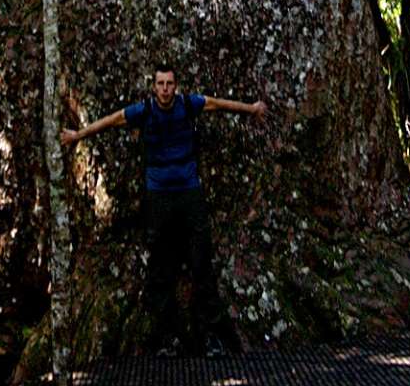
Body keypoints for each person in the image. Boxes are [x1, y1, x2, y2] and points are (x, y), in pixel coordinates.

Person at [61, 60, 267, 354]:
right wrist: (78, 135)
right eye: (161, 84)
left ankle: (212, 335)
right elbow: (112, 120)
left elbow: (219, 104)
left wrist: (251, 108)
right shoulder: (145, 110)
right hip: (158, 195)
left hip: (189, 192)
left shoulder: (188, 104)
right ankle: (167, 337)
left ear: (176, 86)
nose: (166, 89)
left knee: (201, 263)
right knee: (161, 267)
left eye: (170, 84)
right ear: (154, 86)